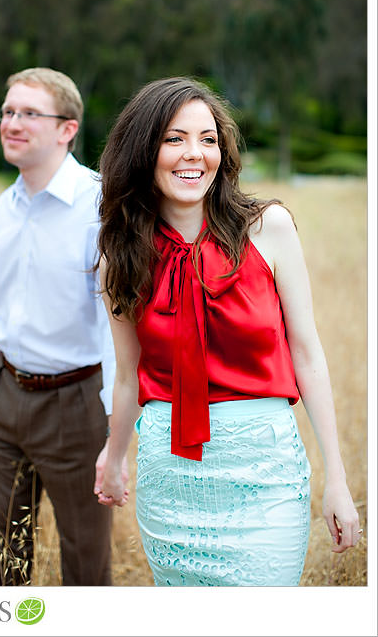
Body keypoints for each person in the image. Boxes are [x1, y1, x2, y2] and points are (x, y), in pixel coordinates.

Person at [94, 77, 361, 586]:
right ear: (142, 150)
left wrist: (338, 481)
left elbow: (308, 356)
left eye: (208, 139)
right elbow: (129, 378)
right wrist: (113, 454)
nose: (194, 154)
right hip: (168, 481)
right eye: (174, 138)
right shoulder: (120, 257)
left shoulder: (270, 228)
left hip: (265, 477)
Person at [0, 67, 122, 586]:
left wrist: (113, 431)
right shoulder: (3, 205)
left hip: (75, 405)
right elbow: (2, 295)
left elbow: (115, 327)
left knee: (84, 563)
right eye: (8, 111)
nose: (12, 122)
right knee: (3, 557)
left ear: (67, 129)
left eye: (29, 113)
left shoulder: (102, 207)